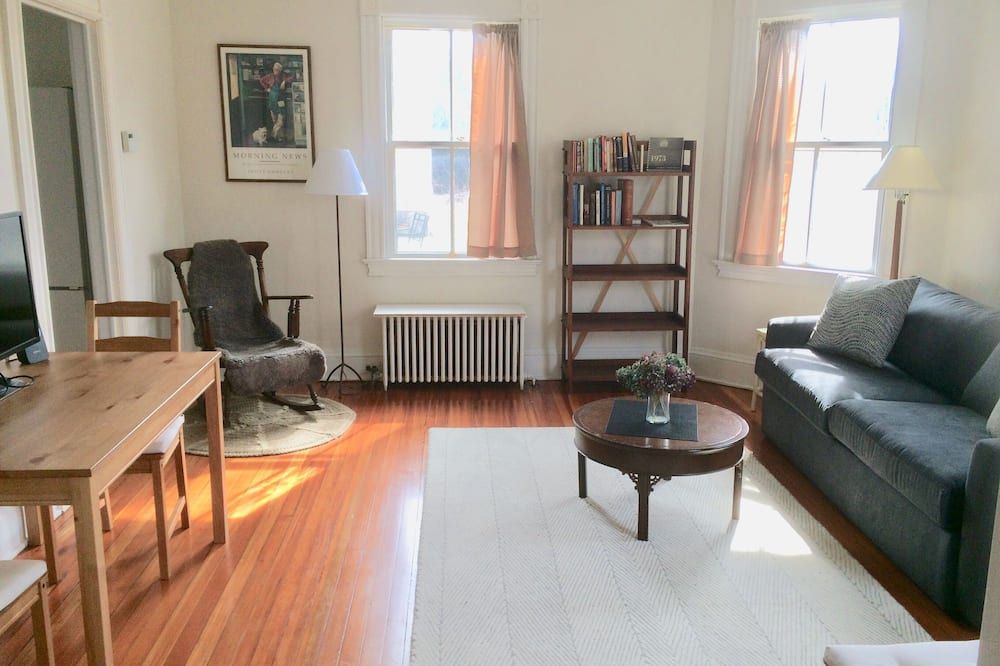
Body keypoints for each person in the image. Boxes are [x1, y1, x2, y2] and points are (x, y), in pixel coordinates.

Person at [259, 61, 294, 143]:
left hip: (280, 100)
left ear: (280, 70)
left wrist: (285, 81)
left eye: (277, 69)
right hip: (272, 100)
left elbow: (292, 77)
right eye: (274, 69)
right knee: (274, 120)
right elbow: (261, 80)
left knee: (281, 121)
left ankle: (273, 135)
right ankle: (278, 137)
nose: (275, 71)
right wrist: (267, 88)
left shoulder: (284, 75)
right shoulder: (270, 76)